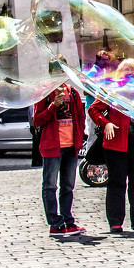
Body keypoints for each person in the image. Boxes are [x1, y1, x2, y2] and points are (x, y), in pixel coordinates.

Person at [88, 58, 134, 234]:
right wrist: (105, 123)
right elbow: (93, 109)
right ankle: (115, 222)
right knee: (117, 183)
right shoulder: (112, 90)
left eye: (133, 69)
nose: (130, 72)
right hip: (116, 144)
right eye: (126, 69)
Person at [33, 83, 86, 235]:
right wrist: (53, 106)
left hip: (71, 145)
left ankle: (68, 221)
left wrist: (79, 138)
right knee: (50, 185)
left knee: (68, 186)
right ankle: (55, 223)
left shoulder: (73, 93)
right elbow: (37, 120)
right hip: (52, 146)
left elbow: (80, 118)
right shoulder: (43, 92)